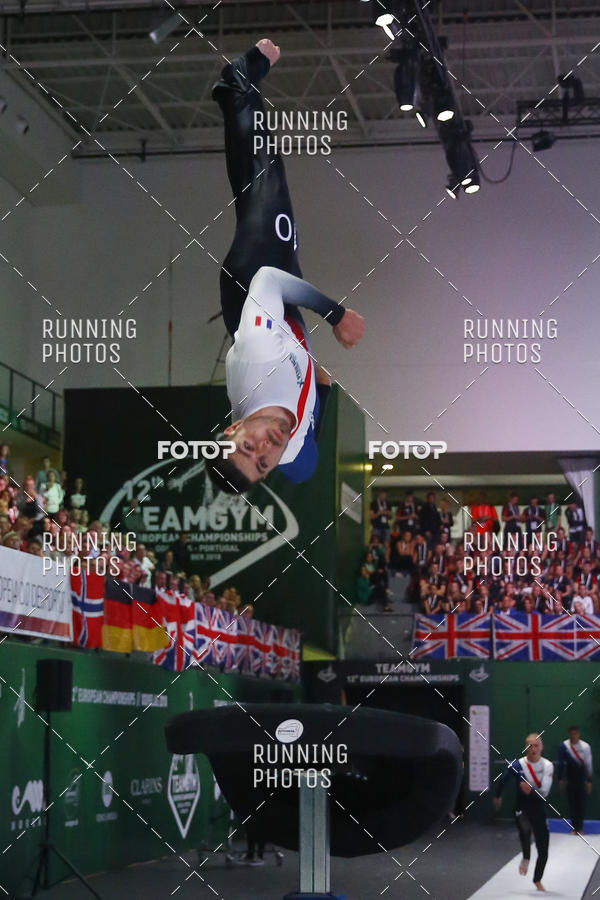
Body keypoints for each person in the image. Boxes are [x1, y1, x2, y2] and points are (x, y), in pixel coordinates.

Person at [205, 38, 364, 493]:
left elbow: (270, 281)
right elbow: (307, 458)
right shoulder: (293, 455)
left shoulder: (259, 359)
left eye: (246, 446)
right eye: (262, 465)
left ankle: (240, 80)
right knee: (253, 190)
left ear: (233, 429)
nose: (265, 449)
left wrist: (336, 314)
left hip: (251, 282)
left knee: (267, 181)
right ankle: (230, 97)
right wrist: (321, 388)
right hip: (282, 320)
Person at [493, 733, 554, 892]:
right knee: (524, 832)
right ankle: (526, 857)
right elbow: (503, 780)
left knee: (543, 847)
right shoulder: (517, 765)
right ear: (525, 747)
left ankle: (537, 879)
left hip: (538, 809)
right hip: (521, 808)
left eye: (536, 746)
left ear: (542, 747)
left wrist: (531, 789)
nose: (533, 749)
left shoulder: (547, 765)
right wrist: (497, 796)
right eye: (530, 746)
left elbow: (545, 791)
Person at [557, 725, 593, 835]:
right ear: (569, 734)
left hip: (581, 779)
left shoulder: (585, 747)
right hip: (570, 779)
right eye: (571, 734)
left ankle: (580, 828)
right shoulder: (564, 746)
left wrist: (589, 781)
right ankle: (574, 828)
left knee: (581, 804)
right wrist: (560, 778)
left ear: (578, 734)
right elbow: (561, 763)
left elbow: (589, 764)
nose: (573, 736)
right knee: (572, 804)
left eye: (575, 734)